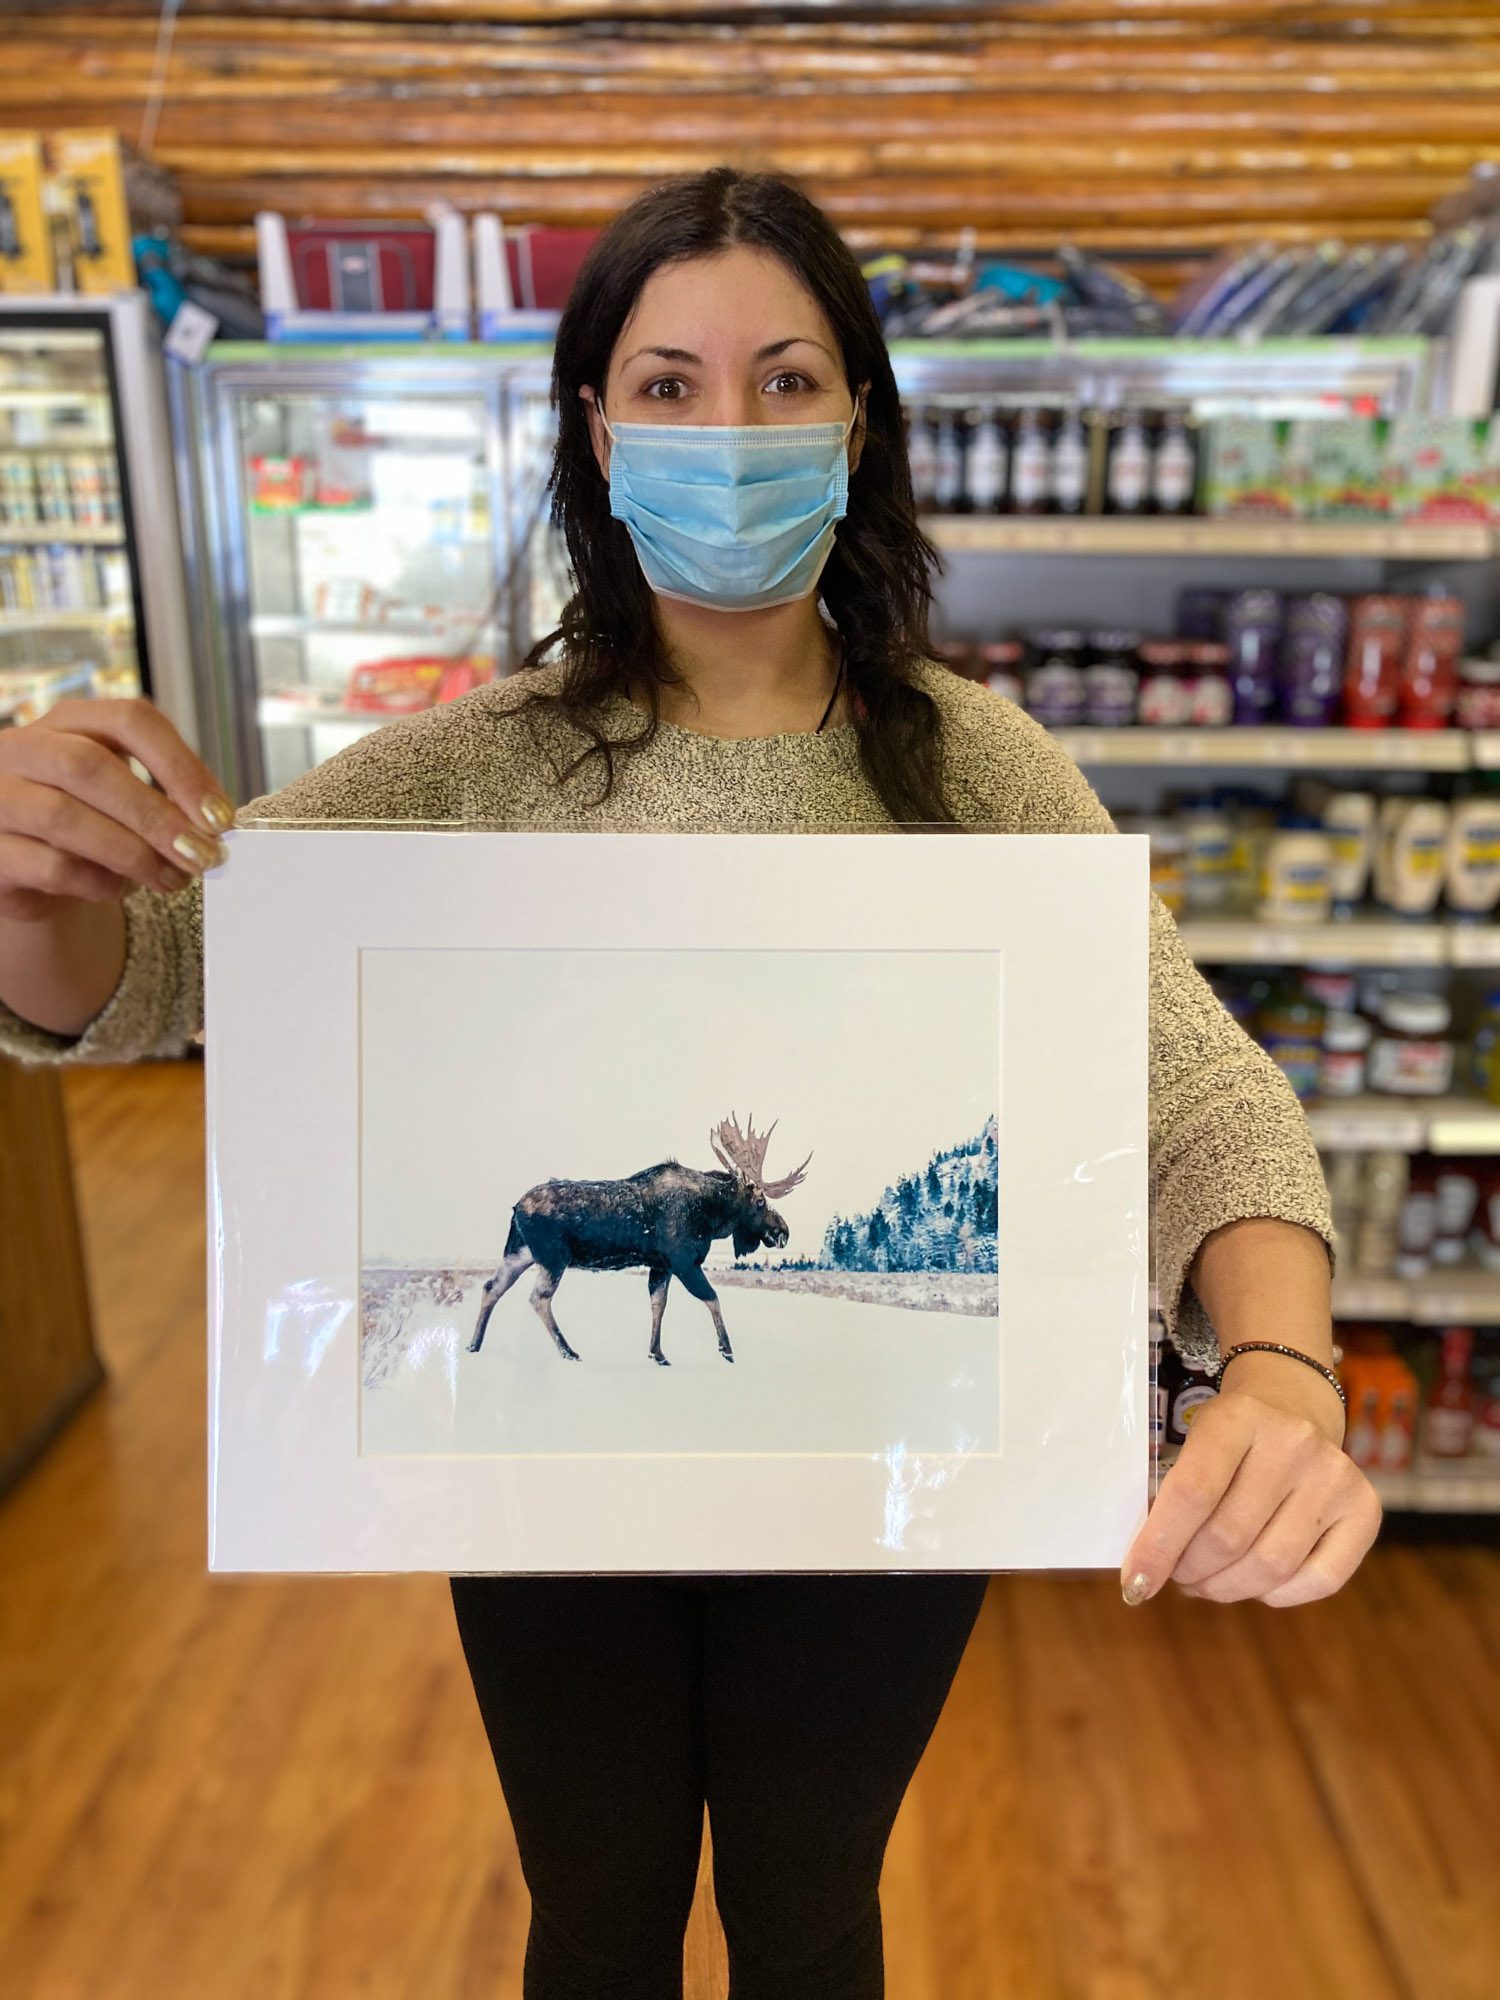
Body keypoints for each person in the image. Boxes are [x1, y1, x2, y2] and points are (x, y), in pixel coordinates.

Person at [0, 168, 1378, 2000]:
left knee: (810, 1907)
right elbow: (149, 977)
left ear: (857, 422)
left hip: (882, 1483)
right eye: (669, 384)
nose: (729, 432)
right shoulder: (466, 769)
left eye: (785, 379)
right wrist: (39, 886)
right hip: (551, 1490)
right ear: (597, 426)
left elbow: (1197, 1084)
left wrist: (1282, 1365)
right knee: (598, 1906)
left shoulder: (982, 769)